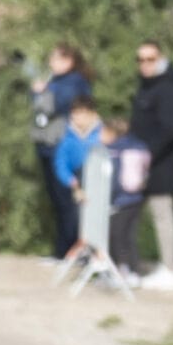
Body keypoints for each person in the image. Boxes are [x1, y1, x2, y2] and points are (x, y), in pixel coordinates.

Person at [130, 38, 173, 290]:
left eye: (150, 59)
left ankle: (170, 270)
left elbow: (169, 129)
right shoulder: (145, 86)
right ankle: (129, 263)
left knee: (162, 215)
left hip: (161, 163)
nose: (145, 64)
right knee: (129, 212)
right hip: (138, 162)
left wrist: (147, 154)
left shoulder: (169, 87)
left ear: (160, 59)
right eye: (140, 59)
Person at [31, 44, 90, 258]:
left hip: (63, 148)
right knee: (57, 201)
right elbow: (39, 109)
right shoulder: (54, 81)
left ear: (69, 61)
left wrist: (42, 92)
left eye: (55, 59)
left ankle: (73, 251)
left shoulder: (75, 83)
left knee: (68, 201)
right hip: (47, 147)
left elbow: (57, 106)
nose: (51, 63)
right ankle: (62, 251)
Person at [51, 93, 104, 262]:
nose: (76, 118)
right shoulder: (67, 136)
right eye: (74, 114)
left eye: (80, 113)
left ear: (91, 113)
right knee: (77, 219)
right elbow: (61, 163)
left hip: (101, 183)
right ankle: (81, 253)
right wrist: (71, 181)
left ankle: (99, 255)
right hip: (78, 183)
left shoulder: (102, 133)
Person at [99, 114, 151, 278]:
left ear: (111, 133)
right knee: (130, 236)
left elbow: (113, 180)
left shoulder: (113, 152)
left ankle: (121, 270)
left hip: (119, 201)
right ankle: (135, 270)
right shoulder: (138, 147)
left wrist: (107, 198)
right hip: (136, 199)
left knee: (117, 236)